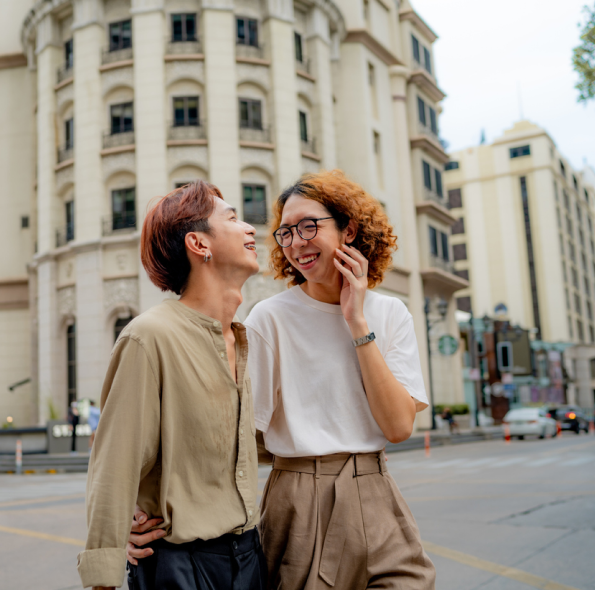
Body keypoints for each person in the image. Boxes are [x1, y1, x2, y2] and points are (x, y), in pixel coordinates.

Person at [130, 171, 436, 589]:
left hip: (376, 489)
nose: (296, 242)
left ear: (349, 229)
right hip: (299, 497)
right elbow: (233, 439)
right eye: (286, 233)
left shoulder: (390, 314)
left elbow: (399, 426)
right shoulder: (269, 319)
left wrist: (356, 321)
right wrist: (150, 513)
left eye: (309, 226)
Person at [77, 181, 266, 590]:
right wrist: (104, 574)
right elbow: (114, 466)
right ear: (200, 244)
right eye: (233, 218)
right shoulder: (149, 337)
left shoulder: (239, 337)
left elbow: (245, 445)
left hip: (250, 558)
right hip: (180, 567)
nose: (250, 227)